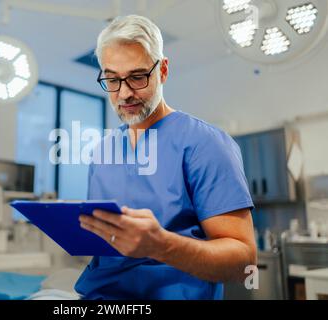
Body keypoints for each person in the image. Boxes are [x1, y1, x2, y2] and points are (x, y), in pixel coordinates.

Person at [75, 15, 257, 300]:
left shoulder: (205, 144)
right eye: (112, 79)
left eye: (137, 77)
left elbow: (244, 263)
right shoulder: (102, 152)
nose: (124, 93)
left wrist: (160, 246)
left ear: (163, 71)